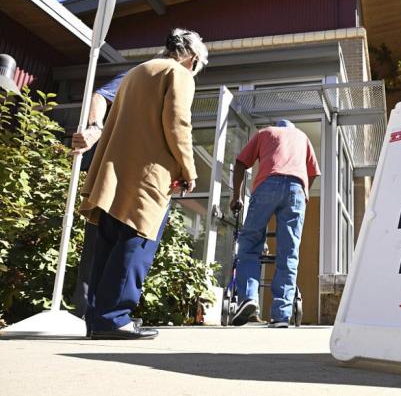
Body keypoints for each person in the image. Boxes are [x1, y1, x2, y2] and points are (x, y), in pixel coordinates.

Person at [79, 28, 208, 339]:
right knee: (136, 242)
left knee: (107, 244)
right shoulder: (179, 73)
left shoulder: (137, 71)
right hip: (148, 175)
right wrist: (189, 169)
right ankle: (114, 318)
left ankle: (97, 319)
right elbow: (177, 122)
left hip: (113, 172)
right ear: (191, 59)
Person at [229, 119, 320, 328]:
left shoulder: (265, 132)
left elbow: (241, 163)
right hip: (296, 189)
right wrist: (303, 192)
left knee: (250, 243)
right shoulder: (302, 137)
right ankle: (281, 314)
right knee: (289, 252)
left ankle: (249, 298)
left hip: (267, 185)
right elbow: (313, 172)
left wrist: (237, 197)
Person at [70, 71, 127, 320]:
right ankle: (86, 313)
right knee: (98, 242)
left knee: (125, 249)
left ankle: (107, 316)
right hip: (111, 172)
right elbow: (101, 96)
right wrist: (95, 128)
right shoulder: (141, 74)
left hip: (137, 176)